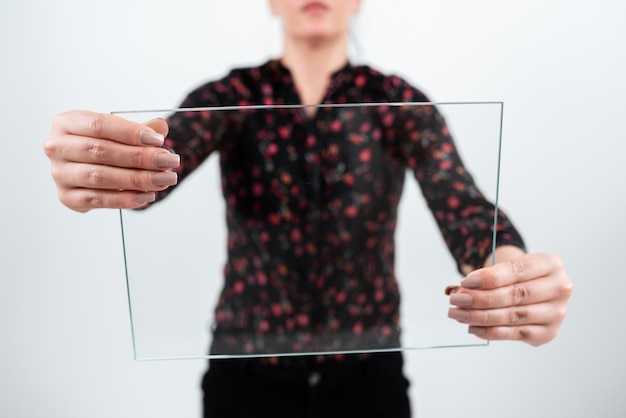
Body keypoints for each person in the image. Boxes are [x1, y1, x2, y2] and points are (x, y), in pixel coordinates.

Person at [43, 1, 573, 417]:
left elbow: (464, 208)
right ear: (271, 2)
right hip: (245, 379)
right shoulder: (233, 96)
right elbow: (155, 165)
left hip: (370, 380)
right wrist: (104, 164)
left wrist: (511, 269)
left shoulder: (399, 104)